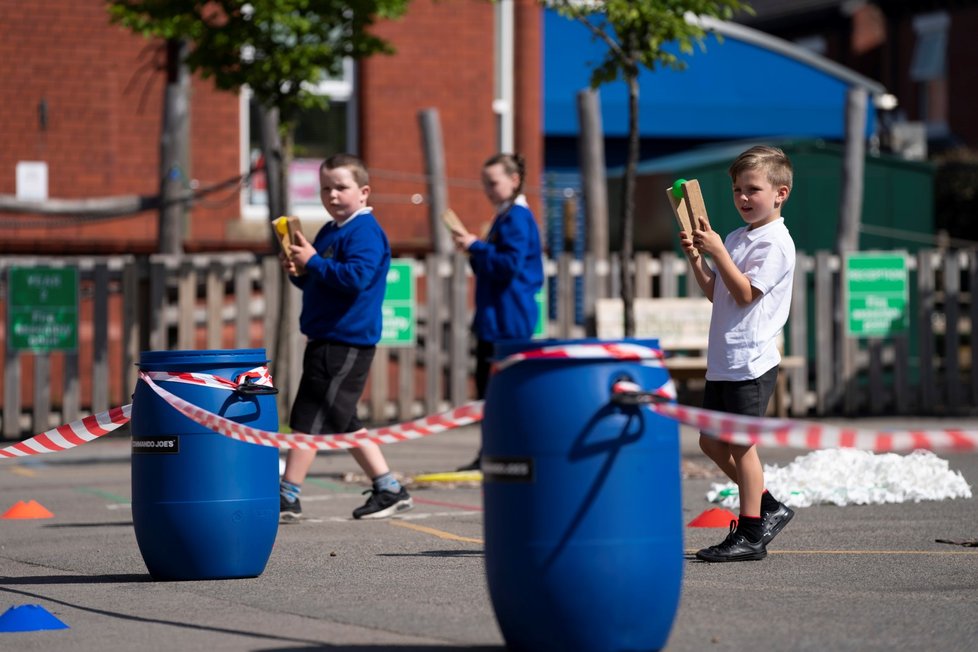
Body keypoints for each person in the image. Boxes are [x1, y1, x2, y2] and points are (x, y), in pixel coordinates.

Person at [278, 153, 412, 521]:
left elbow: (354, 278)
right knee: (335, 415)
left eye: (341, 187)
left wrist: (314, 263)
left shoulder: (365, 232)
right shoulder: (329, 231)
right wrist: (299, 270)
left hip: (347, 338)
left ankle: (289, 495)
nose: (332, 195)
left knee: (314, 414)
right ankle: (388, 488)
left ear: (364, 192)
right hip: (324, 335)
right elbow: (319, 279)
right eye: (325, 188)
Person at [678, 145, 796, 562]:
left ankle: (750, 533)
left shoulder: (776, 243)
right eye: (737, 190)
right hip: (725, 359)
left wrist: (718, 253)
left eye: (753, 190)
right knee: (711, 442)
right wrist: (698, 258)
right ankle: (767, 507)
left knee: (743, 446)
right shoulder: (735, 237)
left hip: (751, 360)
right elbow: (719, 293)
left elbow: (746, 295)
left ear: (780, 193)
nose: (743, 198)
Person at [450, 152, 544, 471]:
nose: (488, 190)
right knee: (490, 391)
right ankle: (492, 452)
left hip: (508, 318)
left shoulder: (516, 217)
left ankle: (503, 453)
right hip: (497, 316)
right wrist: (474, 248)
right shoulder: (507, 216)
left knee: (500, 392)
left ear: (514, 180)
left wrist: (476, 245)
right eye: (485, 184)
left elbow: (508, 264)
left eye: (493, 183)